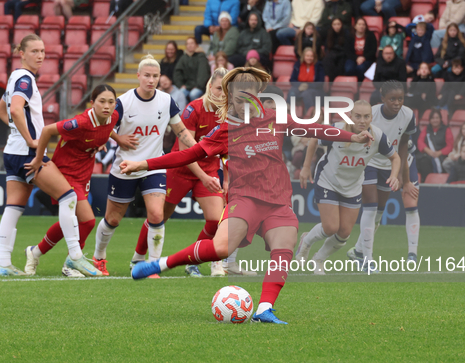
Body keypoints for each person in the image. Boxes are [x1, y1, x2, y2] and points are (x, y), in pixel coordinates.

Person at [122, 67, 374, 324]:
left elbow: (315, 130)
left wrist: (352, 136)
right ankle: (162, 263)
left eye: (248, 96)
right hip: (245, 199)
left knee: (284, 245)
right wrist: (144, 164)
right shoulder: (224, 130)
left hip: (277, 201)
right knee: (221, 248)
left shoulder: (276, 118)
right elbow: (188, 154)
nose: (244, 102)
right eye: (238, 98)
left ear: (258, 93)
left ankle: (264, 308)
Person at [0, 34, 96, 277]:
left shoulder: (13, 77)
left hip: (12, 153)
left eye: (42, 51)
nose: (40, 56)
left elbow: (1, 110)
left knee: (14, 207)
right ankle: (75, 256)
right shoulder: (25, 79)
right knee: (68, 196)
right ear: (22, 53)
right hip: (28, 152)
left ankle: (3, 264)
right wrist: (30, 140)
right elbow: (16, 109)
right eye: (34, 51)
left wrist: (18, 134)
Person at [93, 55, 197, 277]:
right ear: (138, 76)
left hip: (153, 166)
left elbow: (180, 131)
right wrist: (117, 139)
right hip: (125, 167)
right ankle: (99, 257)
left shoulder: (166, 101)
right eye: (147, 76)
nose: (151, 80)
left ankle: (152, 266)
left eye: (155, 76)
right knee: (112, 219)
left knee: (156, 215)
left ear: (160, 77)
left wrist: (198, 149)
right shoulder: (123, 102)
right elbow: (104, 124)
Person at [23, 85, 130, 276]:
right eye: (102, 101)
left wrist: (113, 139)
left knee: (77, 221)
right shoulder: (80, 122)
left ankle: (35, 252)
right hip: (65, 171)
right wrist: (39, 160)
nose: (107, 106)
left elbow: (106, 128)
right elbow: (47, 130)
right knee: (87, 221)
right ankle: (71, 262)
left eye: (111, 102)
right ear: (92, 103)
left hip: (84, 172)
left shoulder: (112, 117)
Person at [296, 100, 400, 273]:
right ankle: (306, 241)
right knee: (330, 227)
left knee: (344, 232)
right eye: (357, 116)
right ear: (350, 117)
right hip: (328, 181)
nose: (362, 120)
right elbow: (314, 138)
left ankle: (318, 260)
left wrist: (394, 176)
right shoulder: (336, 130)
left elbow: (395, 158)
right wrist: (306, 168)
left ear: (371, 117)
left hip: (352, 187)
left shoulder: (378, 136)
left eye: (366, 116)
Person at [159, 68, 228, 277]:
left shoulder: (231, 113)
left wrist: (226, 178)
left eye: (227, 90)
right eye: (219, 88)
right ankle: (139, 258)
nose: (223, 94)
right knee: (159, 217)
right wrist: (204, 178)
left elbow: (227, 149)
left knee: (216, 221)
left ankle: (193, 262)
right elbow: (184, 150)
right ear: (209, 87)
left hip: (208, 170)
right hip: (181, 168)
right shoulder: (193, 109)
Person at [348, 80, 421, 271]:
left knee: (379, 212)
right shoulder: (371, 114)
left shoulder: (408, 115)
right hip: (370, 162)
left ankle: (357, 251)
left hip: (391, 164)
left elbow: (403, 145)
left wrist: (401, 177)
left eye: (400, 99)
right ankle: (367, 260)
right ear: (383, 99)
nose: (397, 103)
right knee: (370, 209)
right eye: (392, 99)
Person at [416, 108, 454, 181]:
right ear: (430, 120)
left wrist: (439, 153)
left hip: (441, 156)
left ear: (440, 119)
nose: (435, 120)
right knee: (418, 160)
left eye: (437, 118)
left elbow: (450, 146)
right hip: (428, 154)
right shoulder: (427, 129)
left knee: (425, 162)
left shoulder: (446, 129)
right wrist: (428, 151)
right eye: (433, 118)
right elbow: (420, 141)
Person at [288, 47, 325, 117]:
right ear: (304, 56)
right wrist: (300, 85)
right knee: (292, 92)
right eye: (307, 56)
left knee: (306, 94)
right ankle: (288, 113)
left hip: (315, 89)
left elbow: (320, 83)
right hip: (300, 87)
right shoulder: (298, 65)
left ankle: (310, 115)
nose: (309, 58)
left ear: (314, 57)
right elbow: (292, 80)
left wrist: (307, 85)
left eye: (311, 56)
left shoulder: (319, 66)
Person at [174, 37, 211, 102]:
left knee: (193, 94)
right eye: (188, 44)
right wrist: (180, 85)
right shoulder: (183, 58)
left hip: (200, 87)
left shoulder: (201, 57)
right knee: (180, 94)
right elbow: (177, 72)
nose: (190, 45)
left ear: (196, 45)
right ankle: (184, 111)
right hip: (187, 86)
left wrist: (198, 86)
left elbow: (203, 74)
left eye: (192, 43)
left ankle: (195, 111)